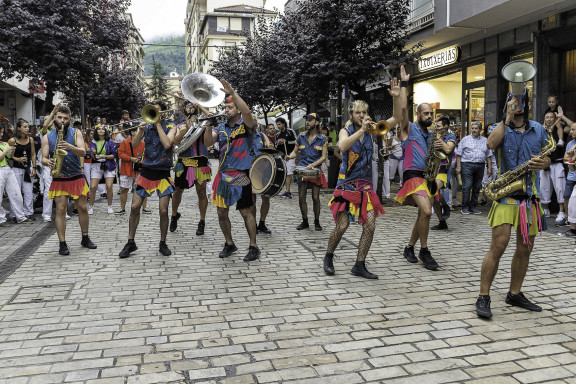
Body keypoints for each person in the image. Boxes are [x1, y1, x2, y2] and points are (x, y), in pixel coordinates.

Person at [475, 91, 552, 319]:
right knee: (499, 245)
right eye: (513, 102)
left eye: (521, 102)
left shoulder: (538, 128)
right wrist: (506, 118)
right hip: (506, 195)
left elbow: (549, 156)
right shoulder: (499, 127)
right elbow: (490, 143)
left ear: (527, 104)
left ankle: (514, 293)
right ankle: (483, 296)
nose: (518, 106)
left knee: (525, 248)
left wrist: (543, 162)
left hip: (530, 196)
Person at [324, 74, 404, 279]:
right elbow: (342, 146)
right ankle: (329, 256)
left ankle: (359, 264)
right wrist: (360, 131)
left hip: (365, 186)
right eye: (358, 112)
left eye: (364, 112)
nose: (361, 115)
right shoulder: (346, 130)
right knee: (343, 225)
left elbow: (396, 118)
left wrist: (396, 96)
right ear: (351, 114)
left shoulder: (373, 130)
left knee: (370, 225)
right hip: (346, 185)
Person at [203, 80, 261, 262]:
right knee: (221, 213)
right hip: (223, 176)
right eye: (225, 107)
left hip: (241, 175)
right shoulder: (221, 128)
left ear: (237, 109)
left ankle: (253, 246)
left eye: (229, 107)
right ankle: (229, 243)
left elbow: (248, 112)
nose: (226, 110)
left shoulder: (246, 125)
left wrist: (233, 93)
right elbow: (207, 143)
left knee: (245, 212)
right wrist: (208, 125)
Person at [118, 100, 176, 258]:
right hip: (146, 171)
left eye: (157, 111)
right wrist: (140, 132)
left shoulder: (171, 126)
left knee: (163, 210)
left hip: (163, 173)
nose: (154, 114)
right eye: (152, 111)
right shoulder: (145, 126)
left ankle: (163, 243)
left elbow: (167, 144)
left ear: (162, 113)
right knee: (135, 207)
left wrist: (157, 125)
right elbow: (134, 145)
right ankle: (130, 243)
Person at [394, 82, 442, 270]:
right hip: (413, 176)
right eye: (426, 113)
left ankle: (409, 247)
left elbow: (446, 151)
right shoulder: (408, 128)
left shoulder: (432, 134)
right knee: (427, 211)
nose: (429, 116)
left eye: (431, 113)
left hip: (428, 177)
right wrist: (404, 86)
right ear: (418, 114)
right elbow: (403, 109)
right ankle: (424, 250)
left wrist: (444, 147)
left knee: (423, 214)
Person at [41, 105, 96, 255]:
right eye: (60, 117)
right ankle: (62, 243)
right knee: (60, 209)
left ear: (69, 119)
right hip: (59, 176)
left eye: (65, 118)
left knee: (83, 207)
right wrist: (48, 162)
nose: (62, 120)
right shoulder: (47, 137)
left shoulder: (76, 132)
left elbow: (83, 152)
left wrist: (70, 147)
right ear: (55, 118)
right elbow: (43, 158)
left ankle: (85, 237)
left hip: (76, 174)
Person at [170, 103, 212, 235]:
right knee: (178, 191)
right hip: (184, 162)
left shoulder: (204, 123)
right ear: (184, 110)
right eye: (187, 106)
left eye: (192, 106)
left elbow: (211, 118)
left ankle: (202, 221)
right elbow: (175, 142)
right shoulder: (180, 125)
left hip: (200, 161)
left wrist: (202, 106)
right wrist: (187, 129)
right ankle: (174, 215)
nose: (190, 108)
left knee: (201, 192)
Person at [286, 113, 328, 231]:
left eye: (310, 120)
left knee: (315, 197)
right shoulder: (300, 137)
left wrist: (314, 164)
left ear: (317, 122)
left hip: (315, 171)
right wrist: (290, 156)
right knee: (301, 196)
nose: (307, 122)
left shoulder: (323, 139)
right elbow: (295, 152)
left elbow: (324, 157)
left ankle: (317, 221)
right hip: (302, 170)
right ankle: (305, 221)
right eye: (307, 120)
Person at [455, 121, 493, 215]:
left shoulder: (485, 140)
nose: (474, 130)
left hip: (480, 165)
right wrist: (459, 166)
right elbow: (459, 154)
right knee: (467, 186)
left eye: (476, 128)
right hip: (467, 165)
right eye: (473, 128)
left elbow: (488, 155)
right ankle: (465, 207)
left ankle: (473, 206)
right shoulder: (465, 139)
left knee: (477, 187)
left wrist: (489, 167)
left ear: (480, 129)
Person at [0, 123, 34, 227]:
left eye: (2, 132)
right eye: (0, 132)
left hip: (8, 169)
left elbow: (10, 157)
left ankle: (21, 217)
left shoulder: (4, 143)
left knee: (16, 194)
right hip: (0, 170)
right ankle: (1, 219)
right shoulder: (5, 146)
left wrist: (13, 153)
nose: (1, 134)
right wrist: (7, 150)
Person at [539, 110, 568, 225]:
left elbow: (571, 126)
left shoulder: (561, 129)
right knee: (543, 187)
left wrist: (561, 117)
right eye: (547, 117)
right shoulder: (541, 131)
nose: (549, 119)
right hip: (544, 163)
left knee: (560, 187)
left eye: (551, 117)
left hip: (557, 163)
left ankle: (561, 212)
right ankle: (545, 210)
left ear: (555, 119)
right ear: (544, 120)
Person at [8, 119, 36, 219]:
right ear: (19, 128)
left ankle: (28, 212)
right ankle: (14, 214)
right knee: (16, 191)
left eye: (28, 126)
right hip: (16, 168)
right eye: (24, 127)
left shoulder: (31, 140)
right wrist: (18, 159)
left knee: (28, 191)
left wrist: (34, 168)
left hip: (28, 168)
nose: (27, 128)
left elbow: (33, 154)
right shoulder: (12, 140)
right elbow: (10, 156)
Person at [116, 125, 147, 215]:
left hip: (139, 170)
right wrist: (130, 158)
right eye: (135, 131)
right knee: (124, 189)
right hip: (127, 169)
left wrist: (140, 160)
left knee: (142, 189)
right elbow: (120, 154)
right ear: (131, 132)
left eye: (137, 131)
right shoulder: (125, 142)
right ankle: (122, 209)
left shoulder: (143, 143)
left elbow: (145, 155)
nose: (135, 133)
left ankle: (144, 208)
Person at [88, 125, 117, 214]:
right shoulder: (93, 142)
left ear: (105, 131)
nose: (101, 130)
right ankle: (91, 206)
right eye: (99, 129)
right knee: (93, 187)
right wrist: (93, 153)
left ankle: (109, 206)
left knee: (109, 186)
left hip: (108, 165)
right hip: (97, 165)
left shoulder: (110, 142)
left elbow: (114, 155)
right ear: (96, 131)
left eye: (102, 129)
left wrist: (103, 156)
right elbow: (92, 156)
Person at [251, 127, 273, 234]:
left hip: (263, 170)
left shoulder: (262, 136)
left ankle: (262, 223)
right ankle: (253, 224)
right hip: (250, 170)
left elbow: (270, 147)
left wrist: (271, 147)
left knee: (266, 198)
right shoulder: (244, 136)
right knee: (252, 200)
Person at [275, 117, 297, 199]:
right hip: (282, 156)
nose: (278, 126)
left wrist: (286, 141)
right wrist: (278, 142)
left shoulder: (291, 132)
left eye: (279, 124)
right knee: (283, 173)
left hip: (290, 155)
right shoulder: (278, 134)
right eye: (277, 124)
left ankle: (288, 191)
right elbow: (276, 146)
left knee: (289, 173)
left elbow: (296, 142)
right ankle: (285, 190)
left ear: (283, 123)